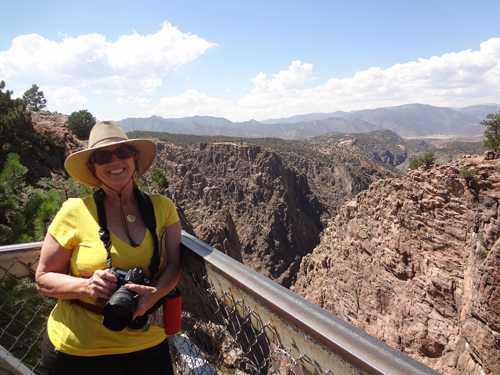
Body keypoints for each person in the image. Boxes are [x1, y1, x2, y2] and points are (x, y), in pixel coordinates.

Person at [35, 120, 181, 375]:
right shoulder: (74, 211)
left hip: (145, 339)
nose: (115, 162)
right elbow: (43, 278)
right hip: (79, 347)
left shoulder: (163, 208)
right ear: (93, 168)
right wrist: (87, 286)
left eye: (123, 152)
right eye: (103, 156)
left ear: (134, 159)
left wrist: (154, 294)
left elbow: (174, 264)